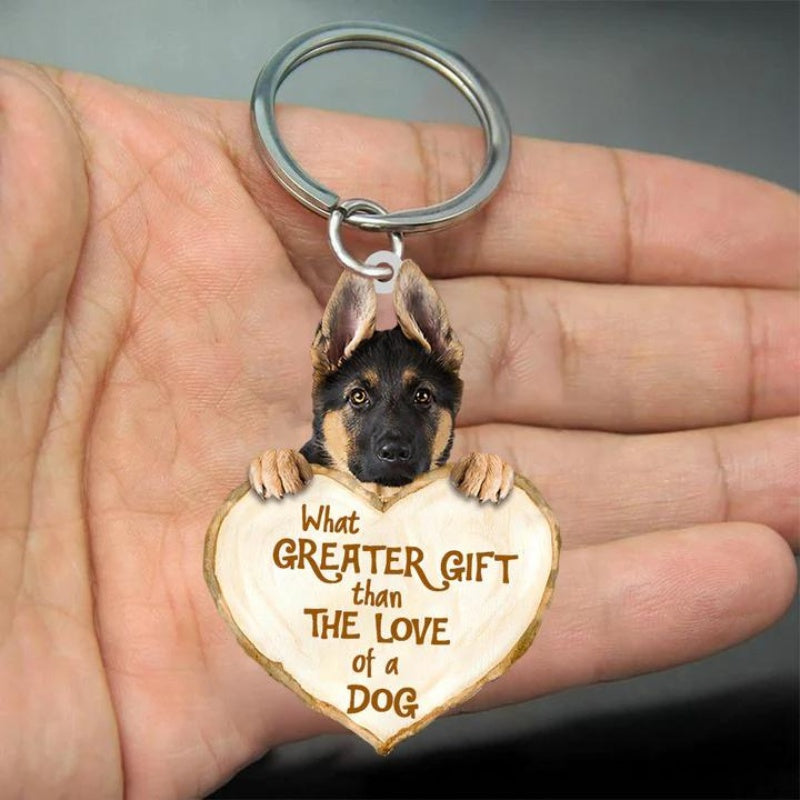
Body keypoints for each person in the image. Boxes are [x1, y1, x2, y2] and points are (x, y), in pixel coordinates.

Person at [0, 59, 796, 800]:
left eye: (419, 401)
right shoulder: (292, 477)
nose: (390, 430)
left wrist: (484, 481)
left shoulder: (459, 476)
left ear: (448, 376)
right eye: (358, 401)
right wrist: (285, 469)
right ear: (327, 375)